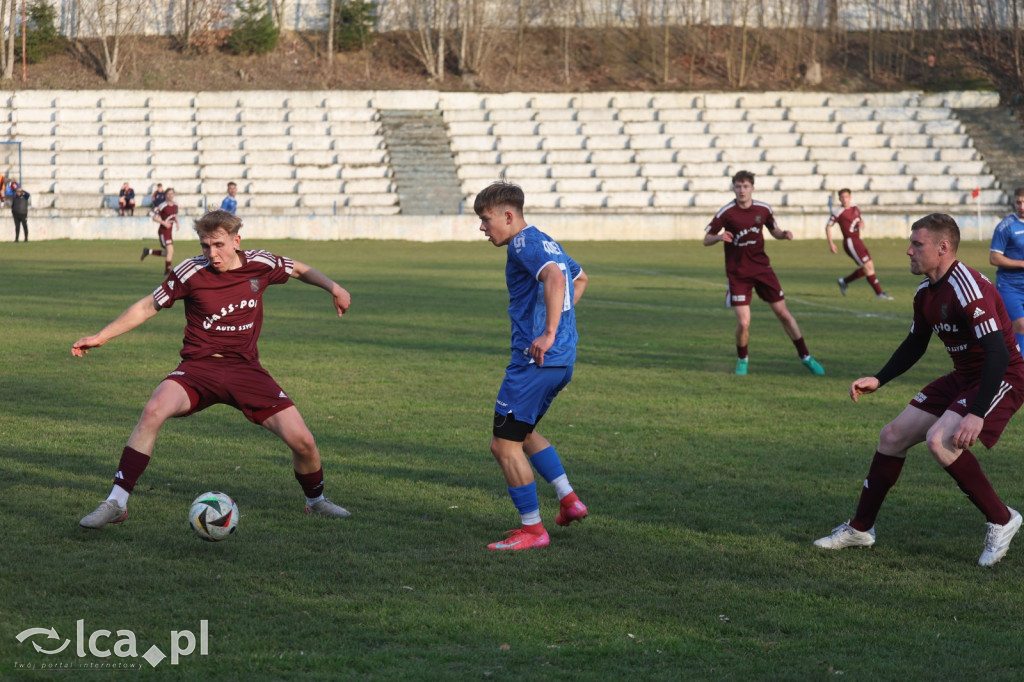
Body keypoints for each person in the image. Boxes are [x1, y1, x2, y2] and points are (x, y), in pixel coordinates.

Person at [73, 209, 353, 530]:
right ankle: (116, 502)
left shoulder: (259, 264)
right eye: (205, 245)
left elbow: (299, 269)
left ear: (236, 240)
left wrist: (334, 288)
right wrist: (101, 336)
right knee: (153, 410)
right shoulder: (191, 271)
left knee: (303, 441)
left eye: (218, 245)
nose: (212, 253)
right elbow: (149, 305)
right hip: (198, 370)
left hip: (246, 371)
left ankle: (315, 501)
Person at [815, 213, 1024, 567]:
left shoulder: (968, 287)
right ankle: (861, 529)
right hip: (964, 375)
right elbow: (915, 344)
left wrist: (975, 413)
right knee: (892, 436)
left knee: (940, 440)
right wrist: (879, 378)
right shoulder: (925, 293)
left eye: (917, 244)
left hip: (1003, 375)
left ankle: (1003, 518)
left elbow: (998, 352)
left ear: (943, 248)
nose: (908, 251)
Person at [474, 181, 590, 551]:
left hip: (535, 361)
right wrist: (560, 328)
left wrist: (549, 332)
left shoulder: (523, 244)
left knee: (503, 445)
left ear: (509, 216)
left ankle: (533, 530)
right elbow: (579, 278)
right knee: (522, 433)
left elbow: (558, 279)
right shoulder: (545, 240)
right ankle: (569, 500)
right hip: (559, 361)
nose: (482, 228)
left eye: (486, 219)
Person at [703, 170, 825, 376]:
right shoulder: (726, 213)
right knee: (743, 322)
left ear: (752, 187)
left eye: (746, 186)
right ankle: (743, 359)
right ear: (733, 188)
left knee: (784, 314)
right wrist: (719, 237)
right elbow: (706, 239)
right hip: (738, 273)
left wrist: (783, 234)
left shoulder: (763, 209)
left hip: (762, 270)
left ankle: (806, 356)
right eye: (738, 186)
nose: (742, 190)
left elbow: (774, 230)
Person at [827, 188, 893, 300]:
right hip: (850, 242)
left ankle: (844, 281)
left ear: (850, 197)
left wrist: (862, 223)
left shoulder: (855, 207)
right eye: (842, 197)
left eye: (846, 197)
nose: (844, 199)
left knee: (869, 267)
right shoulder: (838, 212)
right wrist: (831, 244)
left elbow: (860, 219)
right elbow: (828, 226)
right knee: (868, 267)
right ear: (839, 199)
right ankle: (879, 293)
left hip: (858, 240)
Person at [988, 186, 1024, 354]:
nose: (1022, 207)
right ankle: (1020, 370)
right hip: (1010, 286)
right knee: (1021, 326)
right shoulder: (1006, 226)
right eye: (1018, 202)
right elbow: (994, 257)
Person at [142, 188, 178, 276]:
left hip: (169, 232)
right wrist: (164, 223)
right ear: (165, 196)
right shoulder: (162, 205)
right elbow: (154, 217)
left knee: (167, 252)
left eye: (172, 193)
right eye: (169, 194)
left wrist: (177, 223)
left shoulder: (176, 205)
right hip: (163, 231)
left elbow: (175, 215)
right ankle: (167, 272)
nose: (171, 195)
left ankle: (148, 251)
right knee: (170, 251)